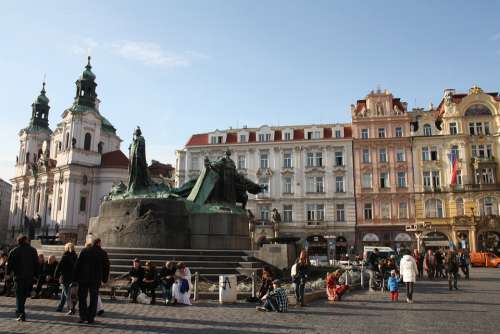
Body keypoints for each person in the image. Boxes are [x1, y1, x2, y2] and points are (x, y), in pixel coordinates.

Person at [73, 238, 110, 324]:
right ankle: (91, 317)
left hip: (83, 278)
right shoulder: (102, 253)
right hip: (96, 279)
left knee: (82, 298)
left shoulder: (84, 251)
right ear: (99, 243)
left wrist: (75, 278)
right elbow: (106, 267)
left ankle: (83, 316)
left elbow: (77, 265)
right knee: (94, 298)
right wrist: (104, 279)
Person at [6, 235, 39, 321]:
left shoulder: (14, 251)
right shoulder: (33, 250)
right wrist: (36, 275)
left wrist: (8, 274)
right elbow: (37, 264)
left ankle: (20, 313)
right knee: (23, 296)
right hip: (29, 277)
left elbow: (9, 264)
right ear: (26, 241)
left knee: (19, 296)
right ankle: (20, 311)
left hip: (18, 277)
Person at [55, 242, 77, 314]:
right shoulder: (75, 256)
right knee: (64, 293)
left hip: (65, 278)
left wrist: (56, 275)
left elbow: (59, 267)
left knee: (67, 294)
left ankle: (71, 308)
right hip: (73, 277)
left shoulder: (65, 256)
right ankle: (60, 307)